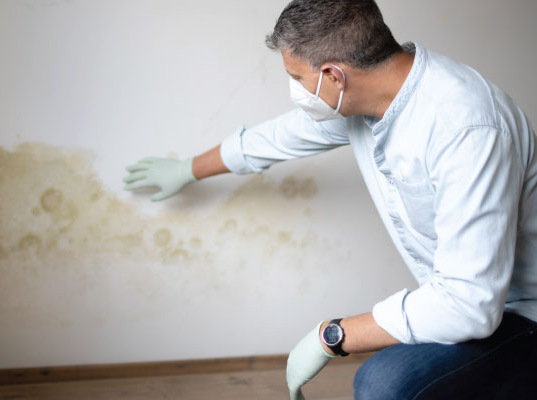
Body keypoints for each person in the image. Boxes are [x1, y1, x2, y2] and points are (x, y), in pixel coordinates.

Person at [122, 0, 537, 398]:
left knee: (386, 382)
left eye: (298, 78)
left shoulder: (464, 127)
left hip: (519, 313)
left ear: (334, 75)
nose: (296, 91)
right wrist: (187, 169)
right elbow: (277, 138)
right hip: (476, 305)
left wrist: (332, 336)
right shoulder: (368, 103)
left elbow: (468, 305)